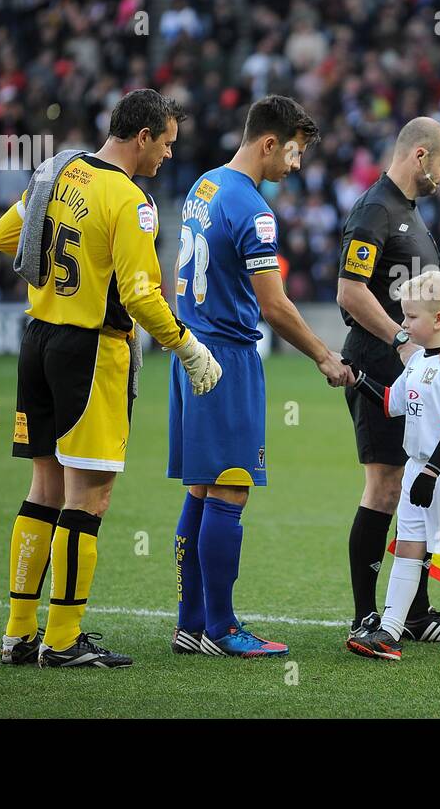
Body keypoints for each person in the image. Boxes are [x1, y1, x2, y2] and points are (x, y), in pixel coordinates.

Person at [0, 89, 222, 669]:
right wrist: (186, 347)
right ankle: (63, 639)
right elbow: (141, 294)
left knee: (43, 488)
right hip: (92, 350)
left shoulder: (57, 170)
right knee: (88, 496)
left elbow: (2, 237)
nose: (168, 155)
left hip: (37, 338)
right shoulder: (129, 198)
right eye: (166, 143)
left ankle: (20, 632)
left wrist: (57, 276)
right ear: (142, 137)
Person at [168, 95, 352, 658]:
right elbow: (274, 306)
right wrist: (324, 354)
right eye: (293, 153)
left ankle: (191, 623)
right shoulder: (254, 208)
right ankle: (221, 629)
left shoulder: (204, 185)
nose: (296, 166)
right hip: (227, 357)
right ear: (269, 143)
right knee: (230, 487)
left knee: (202, 488)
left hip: (189, 350)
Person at [337, 117, 440, 644]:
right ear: (418, 155)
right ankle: (367, 614)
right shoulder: (375, 210)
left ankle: (414, 612)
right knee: (385, 485)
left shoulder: (407, 212)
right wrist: (402, 342)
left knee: (416, 484)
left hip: (414, 376)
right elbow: (350, 291)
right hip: (378, 367)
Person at [344, 271, 440, 660]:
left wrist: (432, 472)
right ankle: (390, 632)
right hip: (418, 468)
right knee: (408, 547)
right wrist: (357, 379)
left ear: (439, 320)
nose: (404, 325)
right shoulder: (416, 363)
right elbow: (393, 402)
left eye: (410, 317)